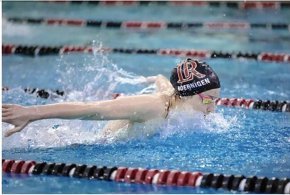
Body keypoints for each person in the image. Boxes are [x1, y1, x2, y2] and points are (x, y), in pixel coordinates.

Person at [2, 58, 221, 138]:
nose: (212, 109)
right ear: (188, 93)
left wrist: (156, 78)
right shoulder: (154, 107)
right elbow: (93, 109)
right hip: (93, 142)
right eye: (209, 99)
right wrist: (30, 113)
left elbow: (167, 87)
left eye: (216, 100)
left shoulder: (178, 101)